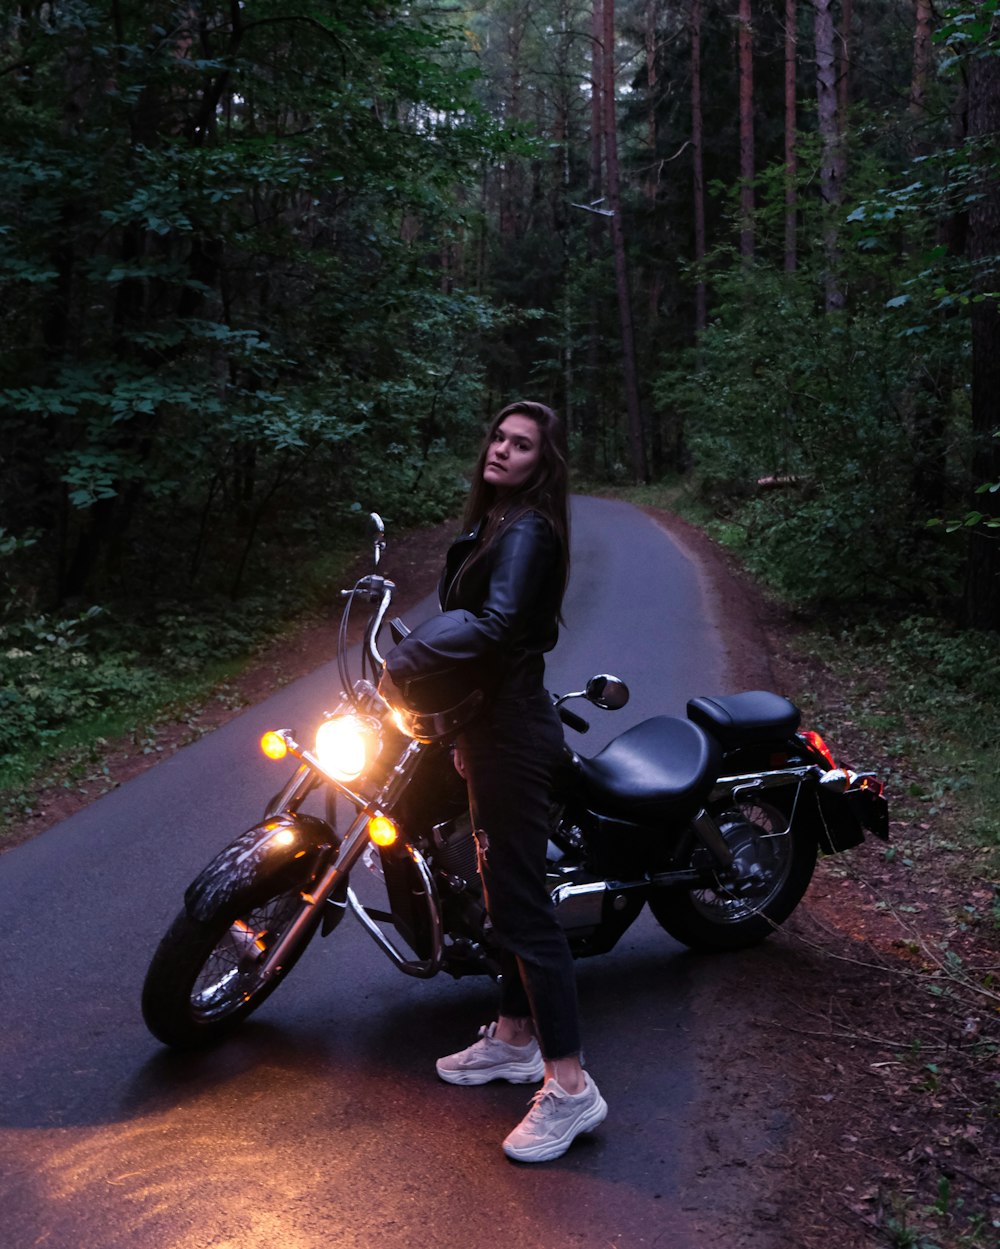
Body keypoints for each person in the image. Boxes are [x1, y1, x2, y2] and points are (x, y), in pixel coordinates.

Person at [379, 400, 607, 1163]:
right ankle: (513, 1037)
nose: (503, 451)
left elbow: (497, 625)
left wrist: (407, 661)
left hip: (514, 734)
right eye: (499, 438)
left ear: (544, 462)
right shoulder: (497, 520)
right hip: (490, 726)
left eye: (522, 444)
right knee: (495, 886)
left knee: (523, 906)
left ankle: (571, 1088)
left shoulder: (531, 529)